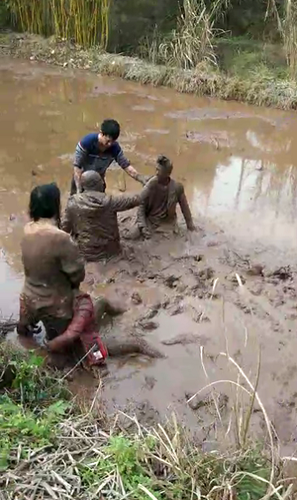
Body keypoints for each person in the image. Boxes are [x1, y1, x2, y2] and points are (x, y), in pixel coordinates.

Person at [62, 170, 143, 261]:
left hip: (86, 253)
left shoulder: (73, 202)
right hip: (111, 251)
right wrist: (150, 183)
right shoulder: (111, 201)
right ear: (99, 184)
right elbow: (136, 199)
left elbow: (65, 229)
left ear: (83, 186)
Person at [71, 118, 147, 194]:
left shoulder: (114, 148)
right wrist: (79, 190)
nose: (109, 144)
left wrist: (142, 180)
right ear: (101, 133)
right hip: (81, 179)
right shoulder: (86, 143)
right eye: (108, 141)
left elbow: (126, 166)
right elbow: (77, 167)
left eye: (112, 141)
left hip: (98, 182)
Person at [134, 155, 195, 238]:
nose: (156, 173)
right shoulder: (149, 184)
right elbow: (141, 206)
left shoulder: (177, 187)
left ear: (167, 173)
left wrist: (191, 229)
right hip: (150, 222)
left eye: (159, 171)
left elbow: (186, 211)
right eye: (156, 169)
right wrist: (142, 226)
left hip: (168, 226)